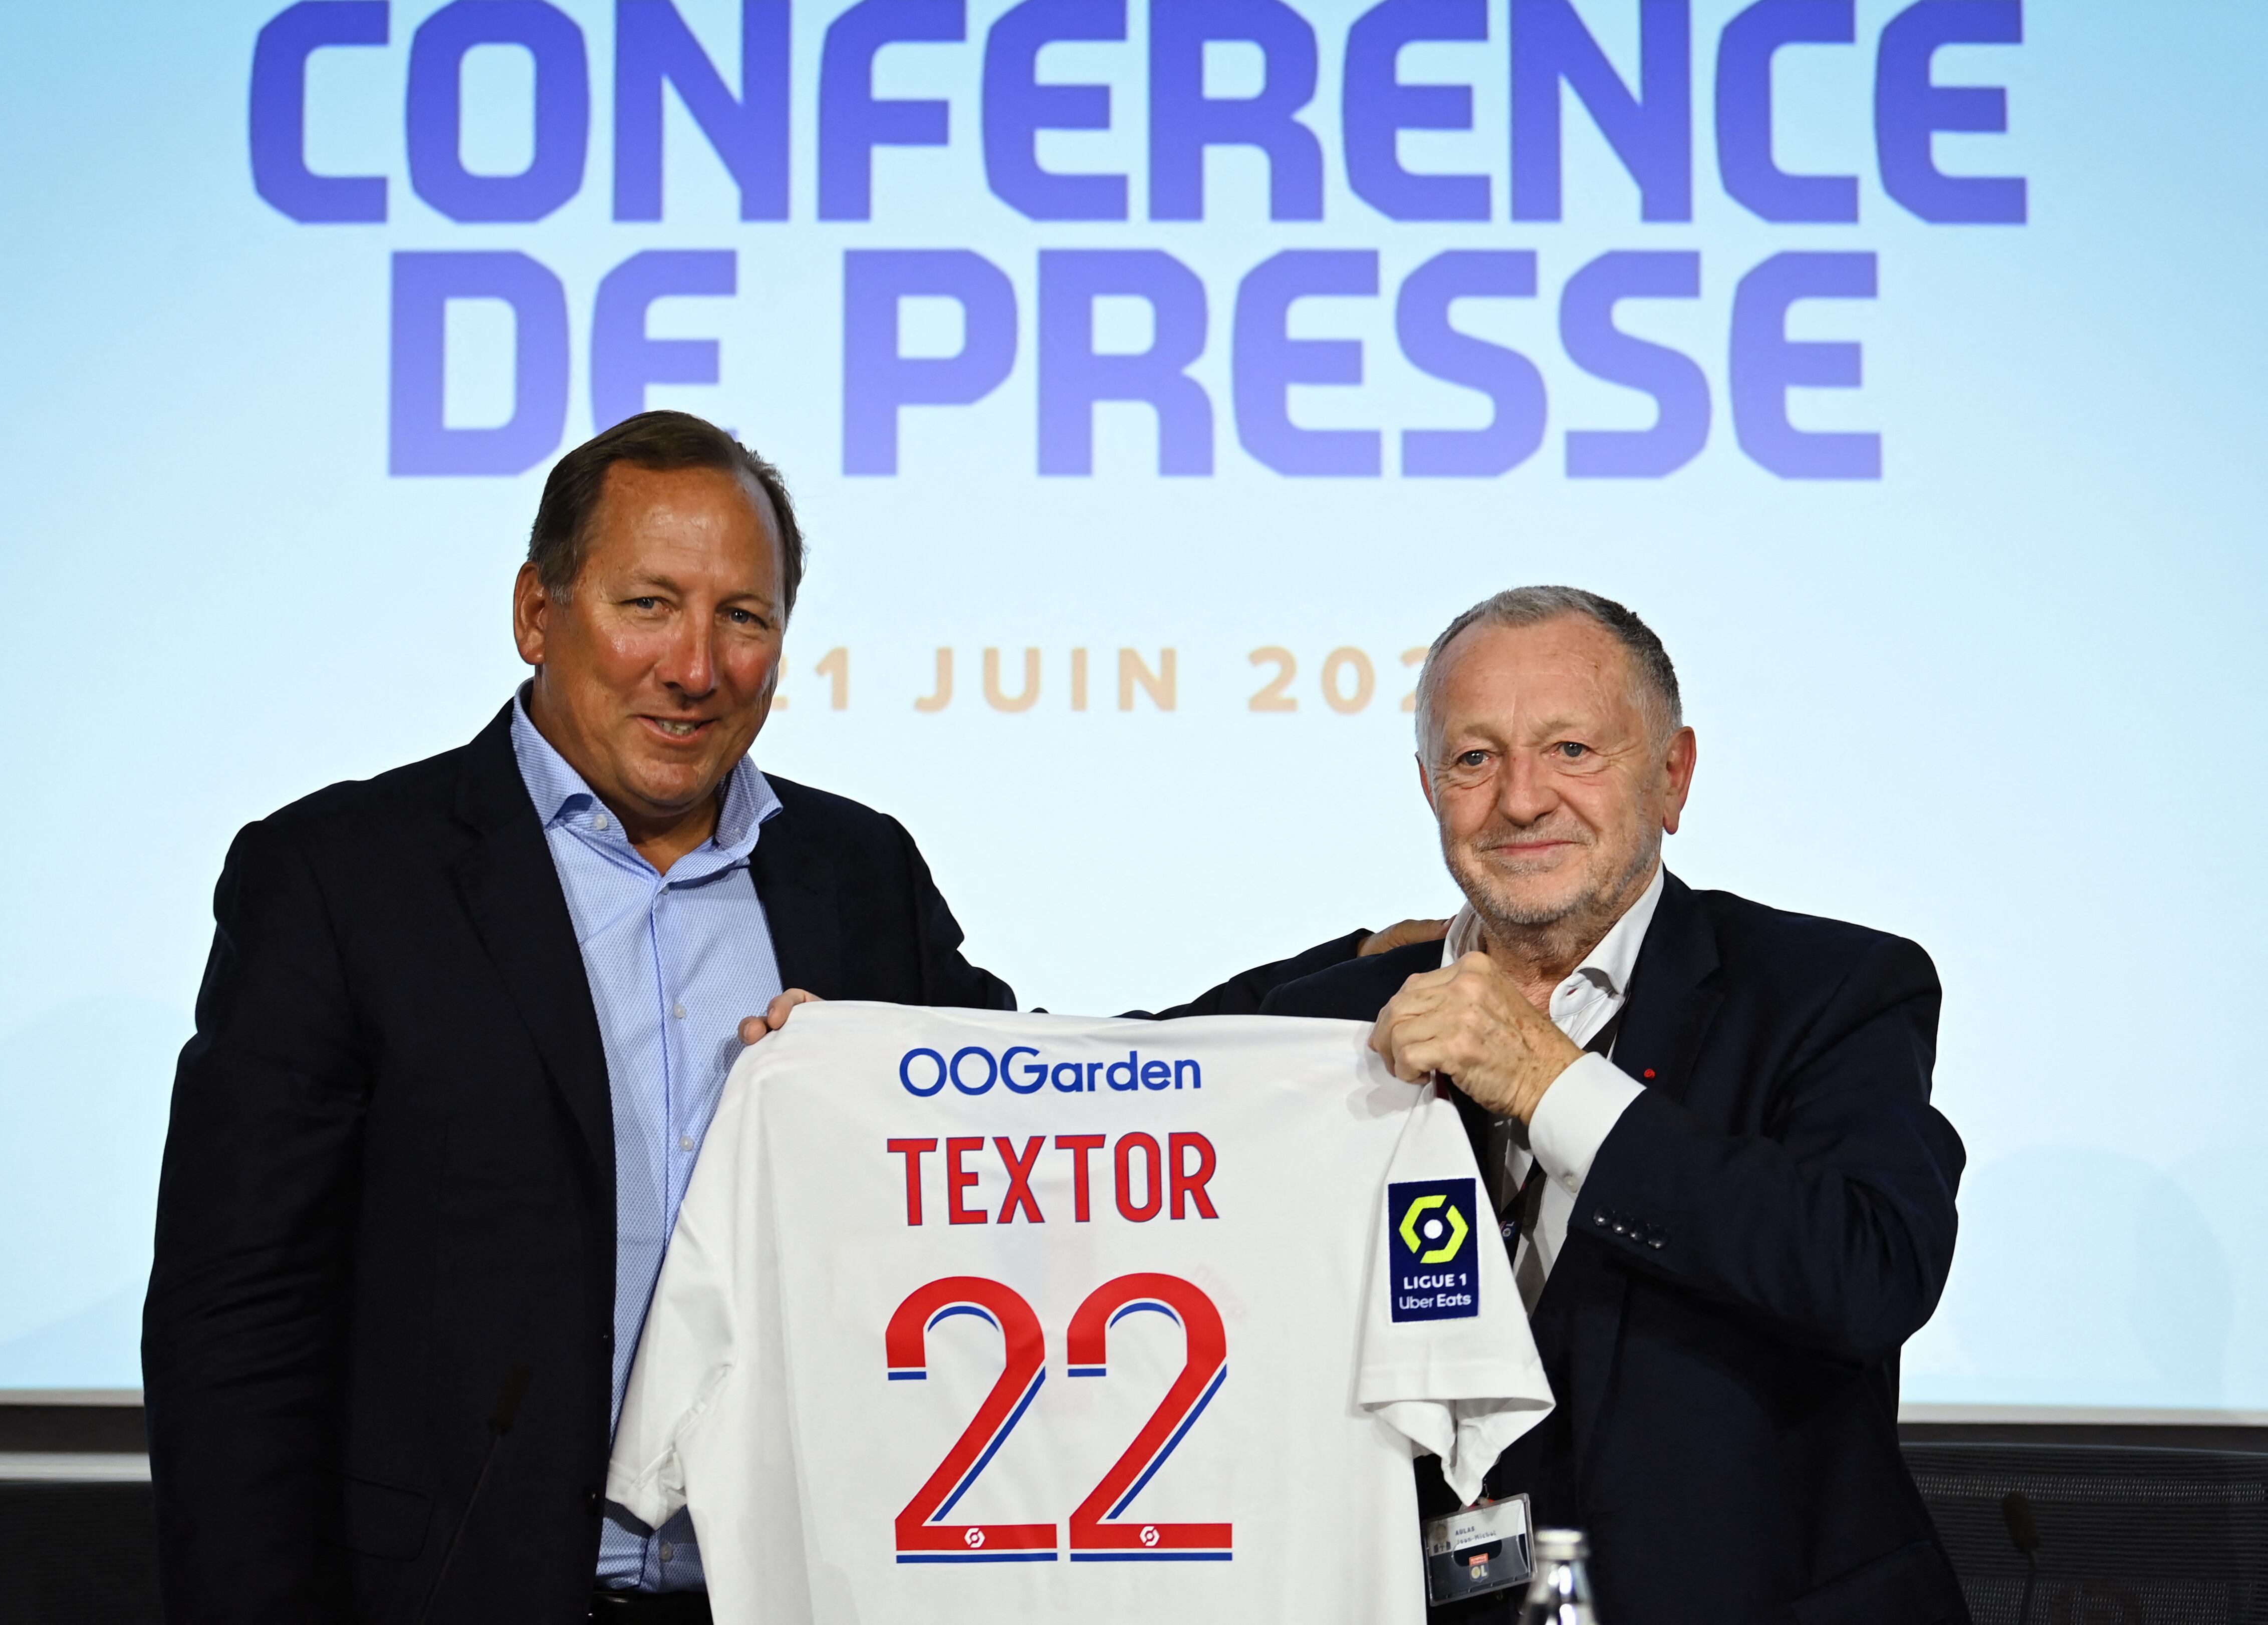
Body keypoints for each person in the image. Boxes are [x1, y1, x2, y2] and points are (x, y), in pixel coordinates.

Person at [140, 411, 1385, 1624]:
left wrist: (1360, 977)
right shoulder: (342, 877)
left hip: (793, 1586)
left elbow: (1059, 1092)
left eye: (745, 617)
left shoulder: (853, 872)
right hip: (456, 1586)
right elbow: (237, 1312)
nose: (697, 665)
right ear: (537, 611)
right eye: (649, 604)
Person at [1259, 587, 1971, 1625]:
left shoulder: (1830, 986)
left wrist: (1551, 1083)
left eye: (1571, 750)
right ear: (1426, 787)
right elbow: (1105, 1065)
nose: (1520, 799)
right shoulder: (1335, 1020)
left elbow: (1864, 1270)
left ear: (1672, 774)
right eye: (1473, 759)